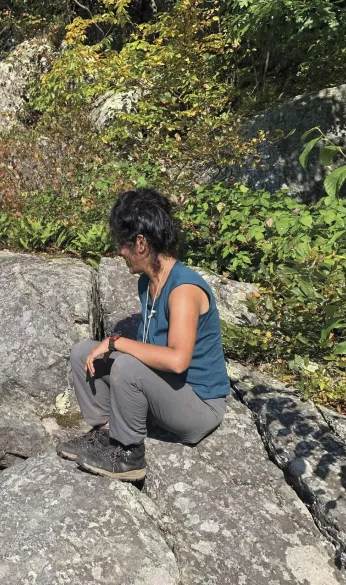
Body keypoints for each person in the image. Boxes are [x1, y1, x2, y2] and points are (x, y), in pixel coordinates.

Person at [57, 189, 230, 481]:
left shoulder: (184, 290)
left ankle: (129, 454)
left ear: (140, 242)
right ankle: (106, 434)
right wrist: (109, 348)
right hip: (168, 390)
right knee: (83, 352)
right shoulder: (147, 284)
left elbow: (177, 361)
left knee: (123, 361)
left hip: (199, 405)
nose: (118, 252)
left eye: (121, 244)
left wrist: (117, 343)